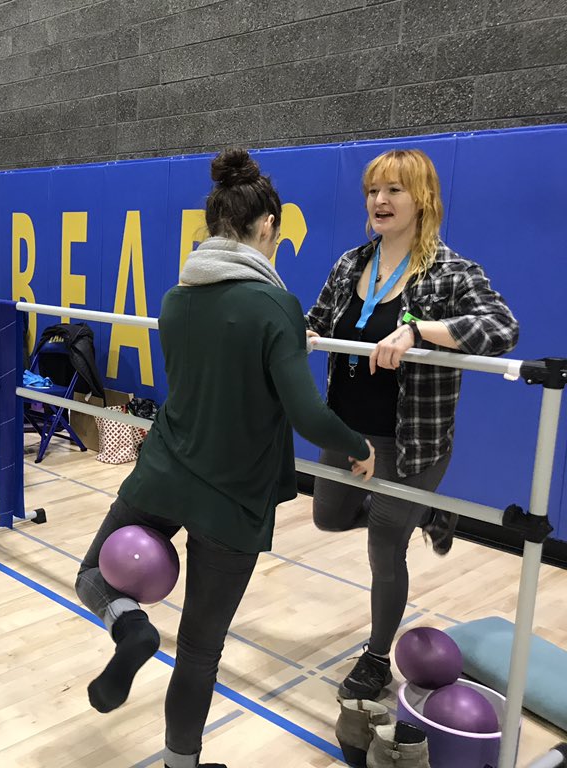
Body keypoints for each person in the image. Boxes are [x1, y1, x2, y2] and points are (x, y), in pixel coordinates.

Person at [73, 150, 376, 768]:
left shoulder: (176, 299)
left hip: (163, 472)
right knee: (198, 650)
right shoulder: (276, 306)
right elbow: (307, 416)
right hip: (234, 499)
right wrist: (358, 446)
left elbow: (218, 364)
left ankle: (130, 627)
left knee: (91, 576)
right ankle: (180, 763)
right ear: (268, 227)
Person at [306, 148, 519, 702]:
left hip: (410, 442)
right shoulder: (351, 264)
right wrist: (297, 333)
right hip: (346, 431)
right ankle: (428, 512)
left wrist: (421, 330)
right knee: (328, 517)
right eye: (373, 190)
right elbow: (316, 319)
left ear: (422, 199)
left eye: (394, 190)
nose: (379, 200)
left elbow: (502, 328)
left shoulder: (451, 272)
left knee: (384, 545)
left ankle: (377, 659)